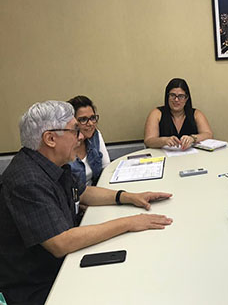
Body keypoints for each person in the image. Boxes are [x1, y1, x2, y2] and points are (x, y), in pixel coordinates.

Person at [0, 101, 173, 305]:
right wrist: (129, 223)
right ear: (50, 139)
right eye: (74, 130)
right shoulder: (26, 180)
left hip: (61, 268)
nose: (81, 136)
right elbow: (61, 242)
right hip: (39, 287)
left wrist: (128, 197)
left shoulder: (51, 164)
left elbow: (82, 192)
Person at [144, 78, 213, 150]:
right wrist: (164, 141)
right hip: (164, 156)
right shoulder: (156, 113)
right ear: (167, 97)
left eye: (181, 96)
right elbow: (148, 140)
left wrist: (193, 138)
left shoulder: (196, 114)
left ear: (186, 98)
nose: (176, 100)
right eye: (172, 95)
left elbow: (208, 134)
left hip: (191, 157)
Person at [67, 95, 110, 186]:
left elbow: (106, 168)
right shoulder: (63, 145)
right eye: (83, 119)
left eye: (92, 118)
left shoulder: (95, 135)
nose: (90, 123)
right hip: (75, 198)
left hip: (96, 191)